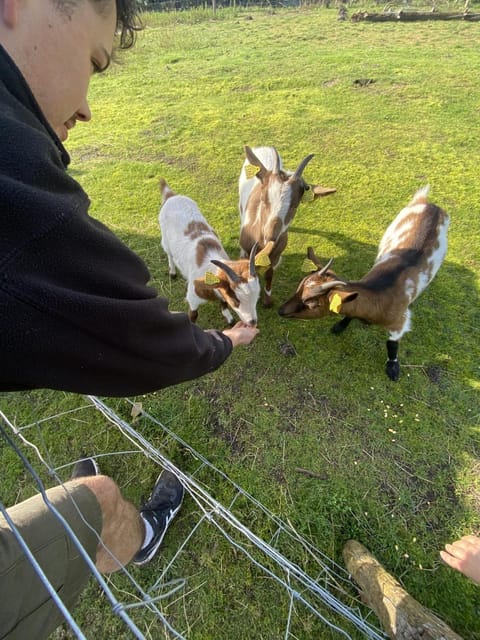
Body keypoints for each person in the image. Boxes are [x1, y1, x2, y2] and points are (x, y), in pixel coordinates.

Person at [0, 1, 258, 637]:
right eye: (93, 61)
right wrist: (224, 341)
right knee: (101, 500)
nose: (87, 106)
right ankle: (141, 537)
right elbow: (140, 339)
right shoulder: (14, 174)